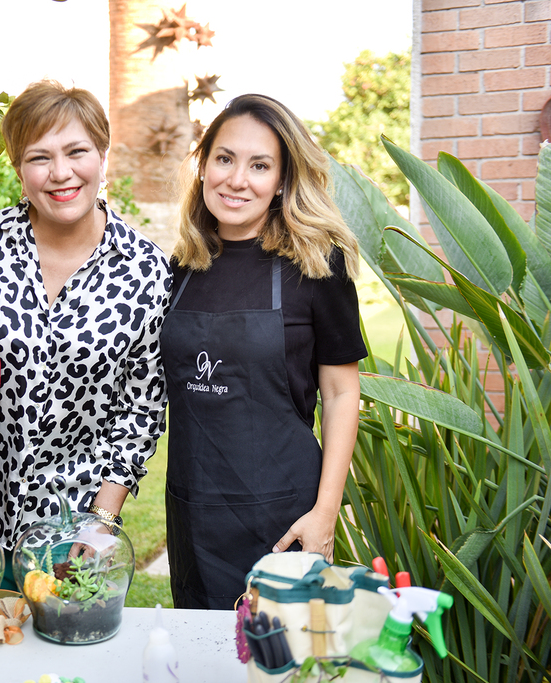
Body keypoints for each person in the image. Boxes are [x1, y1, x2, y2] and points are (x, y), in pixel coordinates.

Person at [0, 81, 171, 571]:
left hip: (77, 532)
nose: (60, 173)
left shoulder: (146, 272)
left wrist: (102, 523)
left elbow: (141, 409)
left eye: (77, 152)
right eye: (39, 157)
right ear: (18, 168)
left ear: (103, 156)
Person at [162, 94, 366, 610]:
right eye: (225, 159)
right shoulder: (181, 268)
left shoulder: (317, 265)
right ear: (203, 165)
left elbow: (343, 393)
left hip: (284, 516)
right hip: (194, 513)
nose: (237, 179)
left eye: (259, 165)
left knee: (277, 661)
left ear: (281, 180)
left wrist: (325, 512)